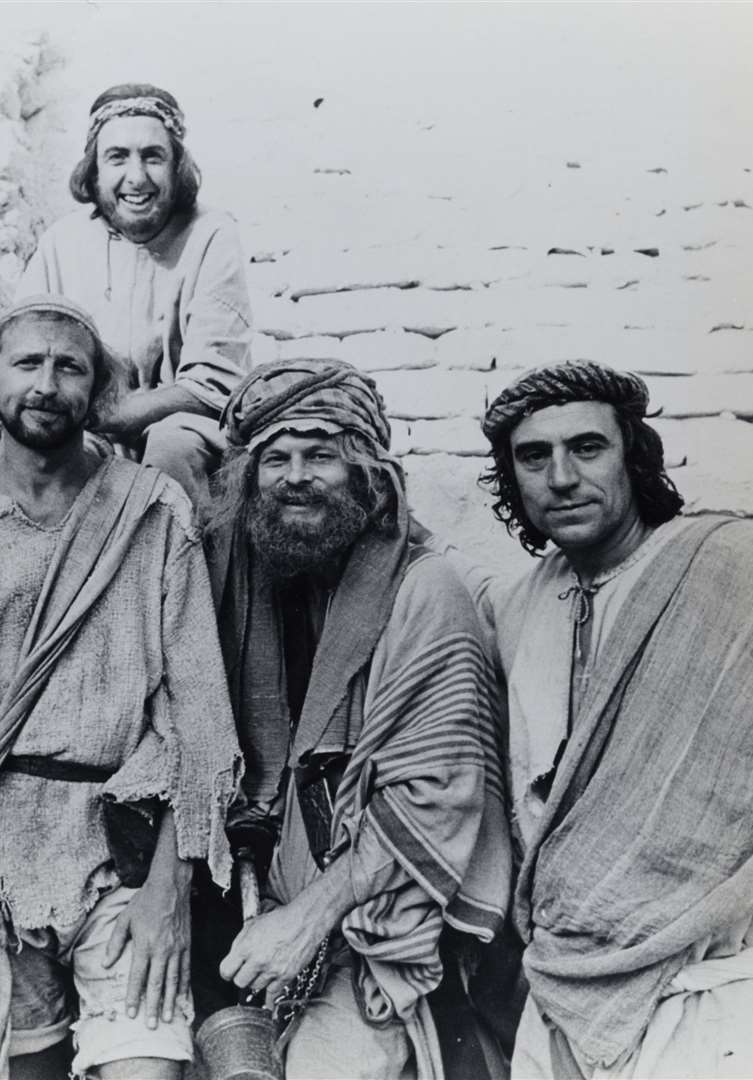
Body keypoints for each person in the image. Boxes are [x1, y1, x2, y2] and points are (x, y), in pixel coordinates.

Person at [0, 296, 242, 1080]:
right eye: (27, 363)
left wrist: (172, 883)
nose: (47, 384)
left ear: (95, 391)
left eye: (69, 367)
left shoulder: (148, 509)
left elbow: (200, 711)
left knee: (146, 1066)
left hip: (121, 841)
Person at [208, 360, 512, 1079]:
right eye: (273, 459)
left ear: (368, 476)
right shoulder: (265, 592)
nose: (294, 476)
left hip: (387, 923)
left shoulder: (424, 588)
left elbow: (437, 795)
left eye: (320, 456)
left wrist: (305, 919)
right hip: (288, 922)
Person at [481, 361, 753, 1079]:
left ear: (633, 456)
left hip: (722, 973)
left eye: (586, 448)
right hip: (563, 981)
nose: (559, 477)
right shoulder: (514, 609)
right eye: (533, 456)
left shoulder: (737, 569)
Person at [0, 84, 252, 507]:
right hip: (84, 428)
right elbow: (17, 350)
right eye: (117, 157)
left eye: (153, 156)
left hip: (184, 431)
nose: (136, 177)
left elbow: (211, 386)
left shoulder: (211, 233)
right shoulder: (64, 241)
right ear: (94, 169)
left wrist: (91, 414)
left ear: (176, 166)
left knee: (170, 448)